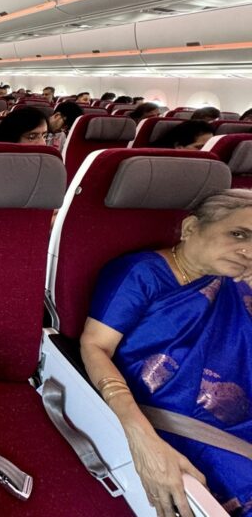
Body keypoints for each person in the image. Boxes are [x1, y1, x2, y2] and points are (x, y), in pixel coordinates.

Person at [81, 190, 252, 516]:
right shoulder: (141, 274)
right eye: (238, 234)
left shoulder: (235, 283)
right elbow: (95, 347)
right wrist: (139, 436)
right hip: (179, 422)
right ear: (190, 228)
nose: (247, 251)